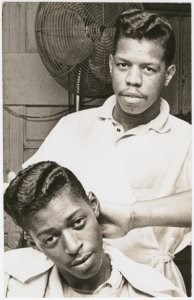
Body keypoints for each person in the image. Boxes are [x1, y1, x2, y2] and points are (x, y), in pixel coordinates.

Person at [22, 9, 191, 291]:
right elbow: (29, 195)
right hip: (73, 287)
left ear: (169, 74)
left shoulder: (186, 138)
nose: (133, 80)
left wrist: (133, 216)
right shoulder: (71, 126)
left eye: (148, 68)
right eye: (124, 65)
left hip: (153, 286)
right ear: (111, 64)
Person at [4, 161, 186, 298]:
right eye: (50, 239)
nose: (73, 247)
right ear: (33, 242)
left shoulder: (156, 293)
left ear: (94, 205)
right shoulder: (9, 286)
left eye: (77, 223)